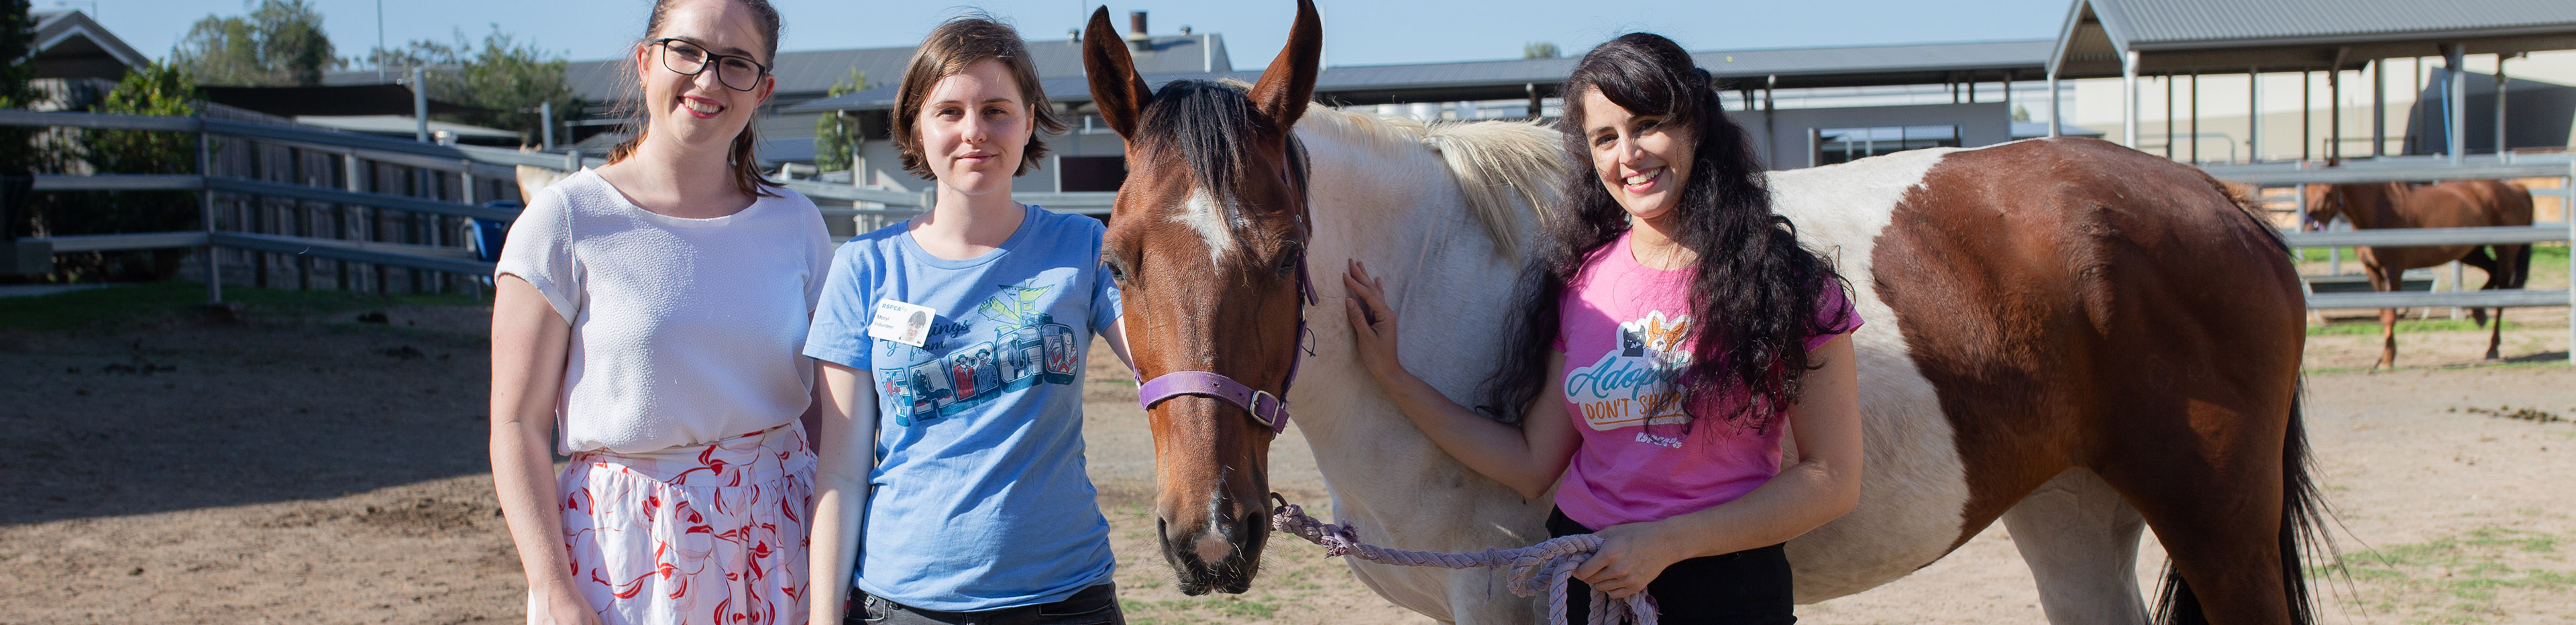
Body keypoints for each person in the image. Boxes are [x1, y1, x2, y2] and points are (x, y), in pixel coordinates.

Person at [1341, 32, 1864, 624]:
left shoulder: (1791, 285)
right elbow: (1533, 461)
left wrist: (1667, 542)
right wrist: (1393, 376)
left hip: (1728, 589)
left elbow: (1833, 479)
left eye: (1647, 125)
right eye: (1605, 138)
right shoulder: (1583, 285)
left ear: (1696, 128)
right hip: (1591, 582)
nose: (1629, 154)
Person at [486, 1, 829, 624]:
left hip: (786, 541)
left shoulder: (797, 223)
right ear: (645, 62)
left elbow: (829, 416)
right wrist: (554, 591)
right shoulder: (565, 221)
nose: (707, 79)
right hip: (631, 557)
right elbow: (517, 427)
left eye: (735, 63)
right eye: (687, 52)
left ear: (763, 90)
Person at [803, 15, 1134, 625]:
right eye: (949, 111)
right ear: (915, 128)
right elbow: (842, 472)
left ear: (1030, 120)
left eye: (997, 110)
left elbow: (1169, 368)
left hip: (1064, 602)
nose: (974, 132)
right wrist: (823, 618)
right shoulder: (863, 269)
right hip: (902, 605)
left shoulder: (1083, 248)